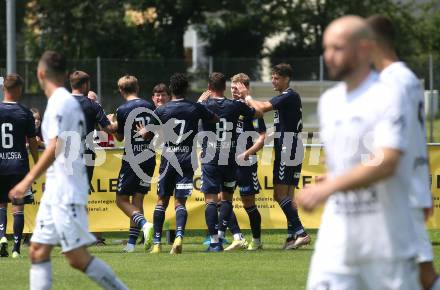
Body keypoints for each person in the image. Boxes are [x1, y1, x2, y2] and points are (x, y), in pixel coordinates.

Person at [297, 16, 421, 290]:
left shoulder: (390, 94)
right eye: (326, 48)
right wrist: (332, 177)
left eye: (337, 48)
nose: (329, 56)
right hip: (337, 241)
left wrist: (331, 187)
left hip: (386, 243)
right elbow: (347, 162)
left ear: (364, 48)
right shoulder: (329, 102)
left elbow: (387, 159)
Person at [9, 50, 128, 289]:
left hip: (66, 192)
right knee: (38, 250)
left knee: (77, 258)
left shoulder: (60, 103)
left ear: (40, 73)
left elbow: (55, 147)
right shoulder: (64, 101)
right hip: (57, 190)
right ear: (64, 74)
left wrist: (26, 180)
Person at [367, 15, 440, 290]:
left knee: (422, 275)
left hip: (402, 192)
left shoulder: (395, 81)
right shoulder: (401, 78)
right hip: (403, 190)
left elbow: (396, 147)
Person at [139, 73, 217, 254]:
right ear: (186, 88)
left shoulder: (162, 110)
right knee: (180, 203)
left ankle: (157, 244)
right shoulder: (194, 107)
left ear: (171, 89)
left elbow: (148, 135)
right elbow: (214, 118)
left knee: (161, 201)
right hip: (187, 158)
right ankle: (179, 236)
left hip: (169, 158)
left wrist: (143, 131)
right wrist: (200, 106)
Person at [243, 63, 310, 249]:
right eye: (272, 77)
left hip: (288, 148)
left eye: (276, 77)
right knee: (288, 194)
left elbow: (260, 109)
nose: (273, 80)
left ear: (286, 79)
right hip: (293, 145)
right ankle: (291, 236)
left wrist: (247, 96)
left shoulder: (289, 95)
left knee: (279, 194)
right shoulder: (288, 98)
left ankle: (301, 232)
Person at [198, 72, 262, 252]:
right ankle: (229, 236)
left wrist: (200, 101)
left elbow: (189, 115)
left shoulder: (204, 105)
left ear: (209, 88)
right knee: (226, 198)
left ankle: (215, 242)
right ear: (225, 88)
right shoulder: (235, 106)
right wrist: (248, 98)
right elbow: (257, 113)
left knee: (210, 200)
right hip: (230, 157)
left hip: (211, 156)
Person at [70, 71, 117, 246]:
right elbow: (109, 129)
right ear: (84, 85)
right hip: (87, 154)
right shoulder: (92, 105)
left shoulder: (60, 104)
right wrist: (117, 121)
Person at [113, 75, 155, 253]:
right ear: (137, 88)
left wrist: (112, 124)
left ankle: (145, 225)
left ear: (121, 90)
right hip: (149, 157)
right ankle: (131, 245)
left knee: (121, 200)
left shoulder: (122, 110)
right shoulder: (150, 106)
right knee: (137, 200)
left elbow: (120, 137)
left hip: (132, 158)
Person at [224, 73, 266, 251]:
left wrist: (247, 153)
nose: (234, 91)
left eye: (238, 88)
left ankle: (256, 241)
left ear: (245, 88)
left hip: (246, 162)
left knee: (248, 202)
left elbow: (262, 138)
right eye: (232, 88)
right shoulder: (228, 107)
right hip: (227, 161)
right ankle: (237, 237)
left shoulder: (252, 109)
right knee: (222, 200)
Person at [0, 74, 39, 258]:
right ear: (19, 89)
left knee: (1, 205)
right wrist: (37, 162)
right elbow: (32, 141)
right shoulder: (25, 112)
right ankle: (16, 248)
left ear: (3, 89)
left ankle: (1, 237)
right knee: (18, 206)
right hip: (18, 166)